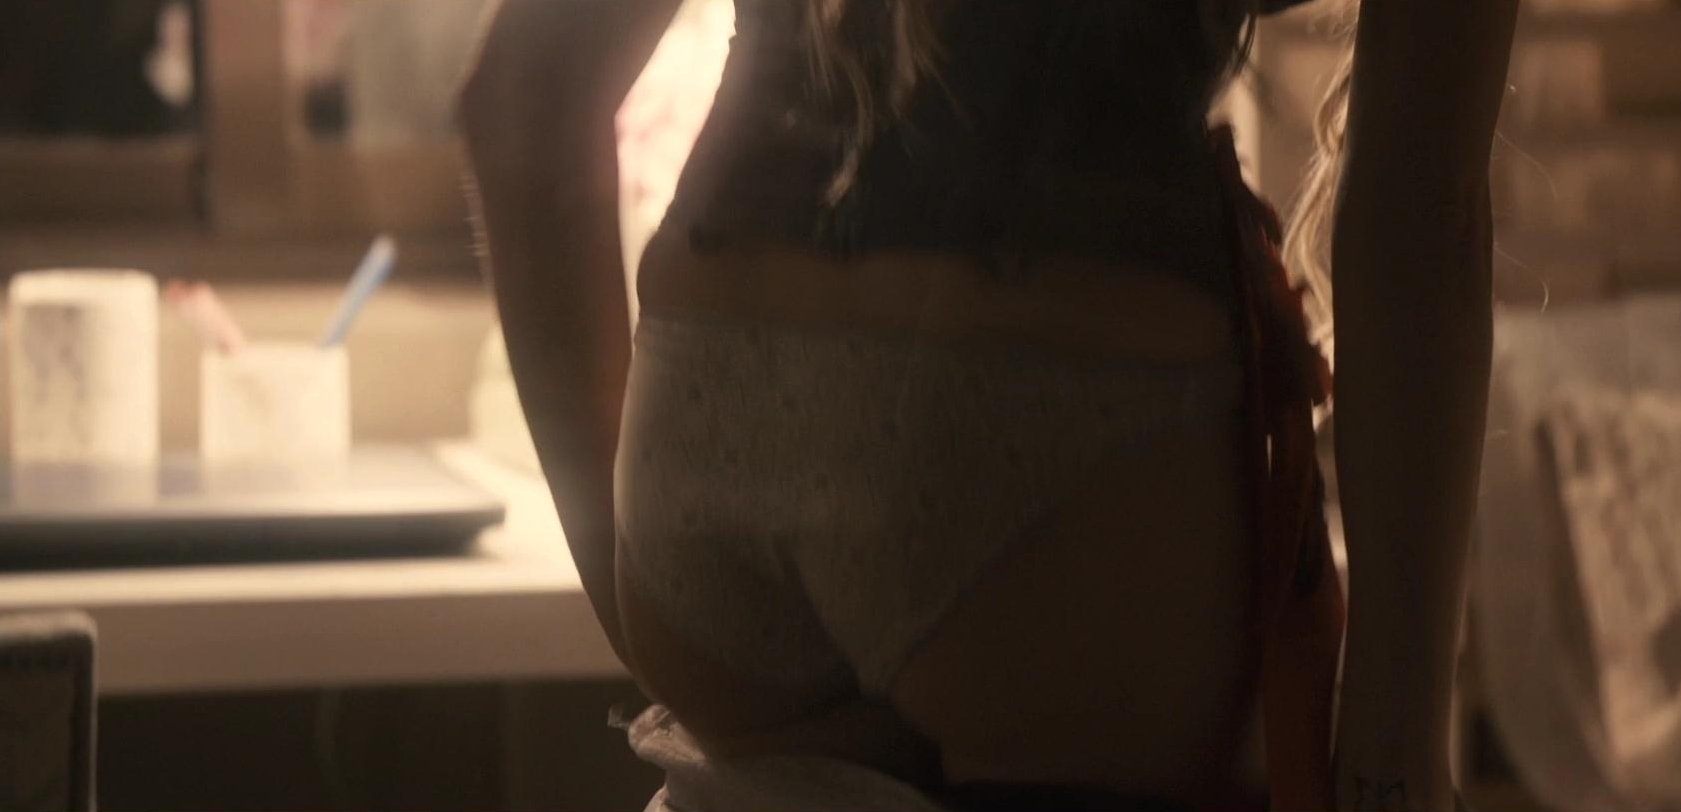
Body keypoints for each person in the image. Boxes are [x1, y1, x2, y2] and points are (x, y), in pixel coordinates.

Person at [456, 0, 1515, 808]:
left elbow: (521, 104)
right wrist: (1396, 747)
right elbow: (1422, 212)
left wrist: (640, 583)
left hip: (709, 409)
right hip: (1058, 395)